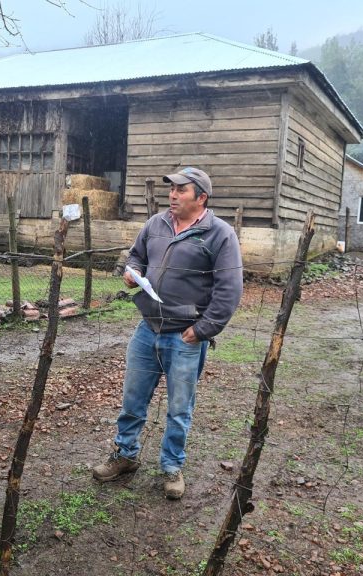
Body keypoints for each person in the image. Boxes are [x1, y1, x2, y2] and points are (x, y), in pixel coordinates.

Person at [92, 166, 243, 499]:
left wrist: (203, 330)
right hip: (148, 329)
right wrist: (133, 272)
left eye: (181, 190)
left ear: (201, 197)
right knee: (132, 400)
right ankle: (125, 455)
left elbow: (230, 289)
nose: (172, 195)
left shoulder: (220, 234)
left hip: (185, 336)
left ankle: (172, 467)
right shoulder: (155, 224)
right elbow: (137, 256)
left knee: (179, 408)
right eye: (171, 189)